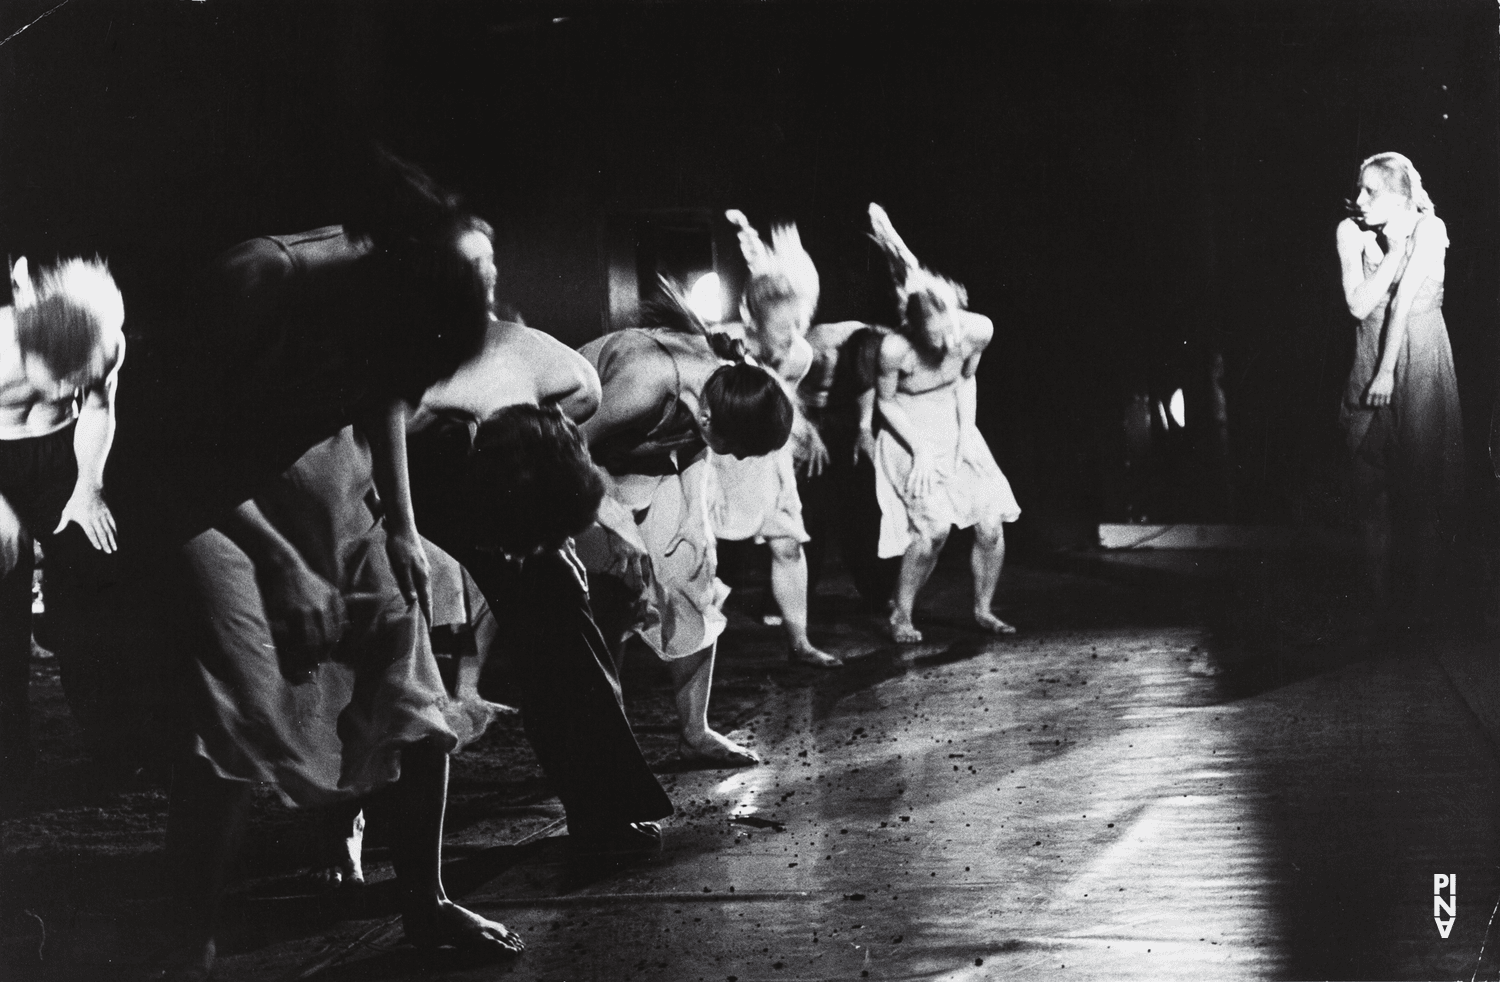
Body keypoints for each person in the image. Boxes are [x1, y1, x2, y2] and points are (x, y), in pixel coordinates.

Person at [159, 150, 521, 980]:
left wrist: (401, 523)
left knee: (412, 657)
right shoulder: (259, 278)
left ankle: (425, 902)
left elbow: (384, 392)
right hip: (215, 509)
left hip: (333, 490)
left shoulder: (394, 297)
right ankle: (186, 948)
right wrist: (280, 562)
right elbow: (176, 454)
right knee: (238, 708)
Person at [578, 300, 793, 767]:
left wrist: (696, 522)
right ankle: (601, 741)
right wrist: (615, 523)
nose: (734, 458)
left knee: (693, 568)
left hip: (637, 455)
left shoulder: (729, 383)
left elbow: (695, 443)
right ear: (711, 419)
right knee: (613, 589)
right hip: (568, 458)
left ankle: (695, 732)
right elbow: (572, 440)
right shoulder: (645, 382)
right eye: (735, 449)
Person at [867, 203, 1021, 643]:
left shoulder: (978, 330)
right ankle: (901, 614)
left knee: (990, 523)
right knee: (932, 531)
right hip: (906, 431)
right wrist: (921, 451)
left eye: (948, 330)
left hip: (954, 421)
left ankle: (984, 608)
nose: (945, 343)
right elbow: (886, 405)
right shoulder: (895, 349)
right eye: (933, 338)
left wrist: (964, 440)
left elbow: (967, 381)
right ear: (914, 330)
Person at [0, 256, 125, 777]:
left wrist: (88, 486)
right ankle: (11, 755)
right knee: (5, 593)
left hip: (62, 456)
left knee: (95, 578)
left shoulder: (104, 342)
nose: (65, 390)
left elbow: (96, 409)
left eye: (78, 378)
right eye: (59, 379)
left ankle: (115, 745)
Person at [1336, 152, 1463, 626]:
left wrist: (1389, 371)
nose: (1360, 199)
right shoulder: (1352, 231)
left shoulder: (1430, 228)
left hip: (1420, 355)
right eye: (1360, 188)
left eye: (1373, 191)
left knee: (1423, 490)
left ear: (1403, 193)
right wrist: (1392, 252)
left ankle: (1422, 614)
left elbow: (1406, 303)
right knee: (1369, 487)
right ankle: (1378, 607)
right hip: (1371, 354)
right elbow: (1358, 303)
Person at [711, 210, 839, 667]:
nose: (792, 335)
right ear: (754, 321)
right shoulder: (723, 346)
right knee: (708, 552)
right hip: (720, 459)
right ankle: (687, 641)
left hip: (768, 458)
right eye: (781, 326)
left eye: (797, 324)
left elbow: (782, 400)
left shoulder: (800, 353)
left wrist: (805, 430)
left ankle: (799, 642)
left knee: (788, 544)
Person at [799, 319, 897, 610]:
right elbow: (787, 388)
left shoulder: (880, 343)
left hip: (841, 413)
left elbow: (866, 384)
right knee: (810, 509)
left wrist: (865, 429)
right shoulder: (824, 349)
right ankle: (793, 596)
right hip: (805, 411)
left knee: (859, 506)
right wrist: (808, 432)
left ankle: (877, 593)